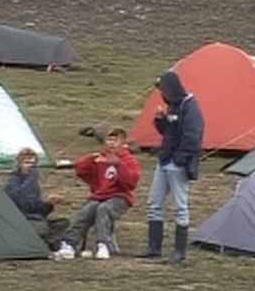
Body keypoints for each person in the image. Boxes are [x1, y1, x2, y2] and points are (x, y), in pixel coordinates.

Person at [139, 71, 204, 264]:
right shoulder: (172, 107)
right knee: (154, 203)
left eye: (164, 90)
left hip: (177, 164)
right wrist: (161, 120)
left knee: (180, 207)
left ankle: (179, 251)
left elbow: (193, 137)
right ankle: (154, 247)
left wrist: (179, 159)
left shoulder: (189, 106)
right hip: (165, 160)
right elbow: (169, 132)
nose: (162, 94)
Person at [54, 127, 141, 260]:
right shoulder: (100, 158)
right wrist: (90, 159)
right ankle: (69, 244)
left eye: (115, 140)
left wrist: (118, 165)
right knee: (86, 212)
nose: (111, 143)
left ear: (123, 142)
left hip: (120, 196)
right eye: (109, 140)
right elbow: (81, 171)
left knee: (104, 210)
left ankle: (103, 244)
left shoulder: (129, 160)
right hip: (100, 196)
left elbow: (130, 183)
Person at [4, 148, 68, 251]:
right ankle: (46, 244)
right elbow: (22, 203)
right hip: (21, 219)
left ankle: (45, 243)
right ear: (20, 164)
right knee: (41, 229)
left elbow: (37, 209)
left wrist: (49, 204)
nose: (31, 167)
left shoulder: (34, 184)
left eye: (33, 164)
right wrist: (32, 179)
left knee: (63, 223)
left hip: (36, 218)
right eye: (27, 163)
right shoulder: (13, 182)